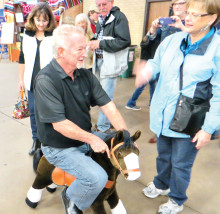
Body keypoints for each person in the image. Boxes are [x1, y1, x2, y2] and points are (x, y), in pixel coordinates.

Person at [136, 0, 220, 213]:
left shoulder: (216, 49)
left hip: (190, 120)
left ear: (211, 18)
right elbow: (157, 62)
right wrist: (148, 70)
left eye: (195, 14)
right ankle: (161, 184)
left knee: (181, 164)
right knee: (163, 156)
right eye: (187, 13)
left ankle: (176, 199)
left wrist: (208, 129)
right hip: (164, 114)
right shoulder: (174, 39)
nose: (187, 18)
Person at [34, 24, 128, 213]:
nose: (85, 54)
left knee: (123, 153)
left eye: (85, 48)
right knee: (97, 178)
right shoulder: (46, 80)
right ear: (61, 51)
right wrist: (92, 138)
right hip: (59, 147)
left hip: (83, 136)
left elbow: (109, 107)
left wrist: (126, 137)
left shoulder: (85, 75)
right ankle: (71, 198)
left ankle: (105, 194)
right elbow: (60, 125)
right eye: (79, 49)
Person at [126, 0, 187, 111]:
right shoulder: (166, 23)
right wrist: (153, 29)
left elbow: (196, 43)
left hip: (182, 70)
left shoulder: (192, 23)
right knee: (161, 97)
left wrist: (183, 27)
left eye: (181, 3)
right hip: (163, 67)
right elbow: (146, 43)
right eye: (175, 4)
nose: (177, 6)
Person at [18, 2, 56, 155]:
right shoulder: (26, 35)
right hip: (31, 81)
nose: (41, 23)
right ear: (33, 19)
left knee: (48, 112)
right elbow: (22, 58)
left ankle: (49, 141)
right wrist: (20, 79)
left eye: (45, 20)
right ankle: (36, 140)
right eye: (38, 20)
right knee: (33, 111)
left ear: (49, 20)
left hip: (49, 82)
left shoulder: (54, 35)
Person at [89, 0, 131, 133]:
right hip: (100, 61)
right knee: (100, 94)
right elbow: (102, 37)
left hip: (110, 63)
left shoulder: (119, 17)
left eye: (104, 4)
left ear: (111, 2)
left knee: (106, 97)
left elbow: (124, 41)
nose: (101, 8)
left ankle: (103, 128)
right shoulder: (101, 19)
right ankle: (107, 122)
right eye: (99, 5)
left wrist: (100, 44)